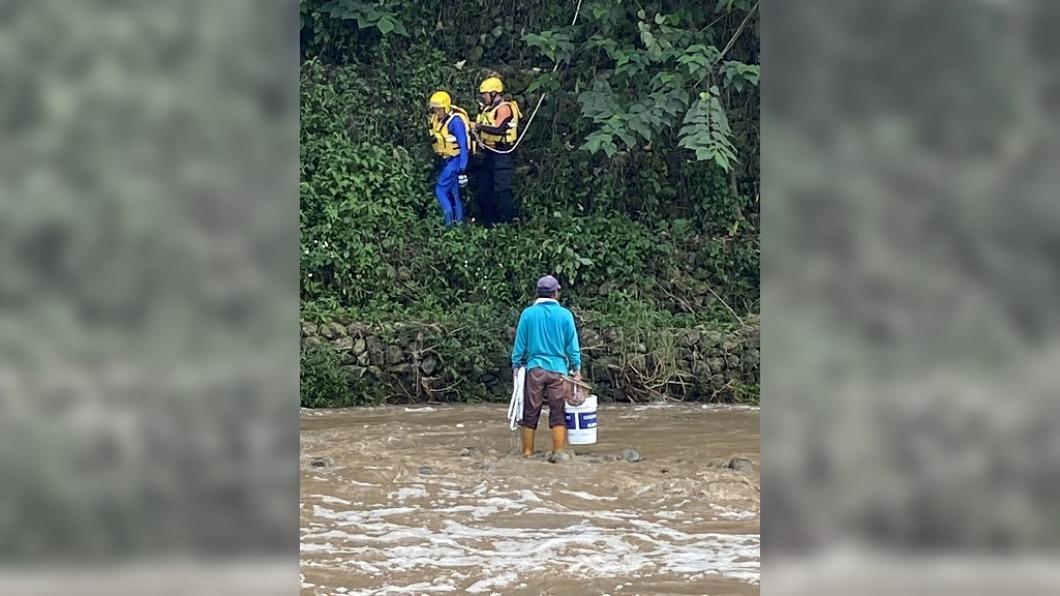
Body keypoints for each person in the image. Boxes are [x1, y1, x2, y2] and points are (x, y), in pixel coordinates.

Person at [511, 275, 582, 462]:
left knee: (530, 411)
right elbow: (572, 346)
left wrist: (516, 365)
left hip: (535, 369)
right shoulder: (565, 315)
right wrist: (577, 368)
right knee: (558, 411)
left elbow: (520, 343)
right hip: (559, 371)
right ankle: (558, 452)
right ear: (555, 293)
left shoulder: (528, 314)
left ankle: (527, 453)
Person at [472, 76, 521, 226]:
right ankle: (488, 222)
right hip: (489, 154)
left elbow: (499, 129)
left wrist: (478, 127)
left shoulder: (504, 108)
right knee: (483, 189)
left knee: (502, 191)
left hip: (502, 154)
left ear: (494, 93)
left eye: (485, 94)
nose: (483, 97)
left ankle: (508, 224)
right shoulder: (488, 109)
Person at [427, 90, 471, 228]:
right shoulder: (438, 120)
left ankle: (449, 225)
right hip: (446, 160)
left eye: (439, 109)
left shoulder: (455, 122)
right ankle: (458, 224)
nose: (436, 111)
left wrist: (463, 168)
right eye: (434, 108)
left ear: (445, 107)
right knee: (453, 192)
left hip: (455, 160)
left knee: (440, 190)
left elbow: (463, 146)